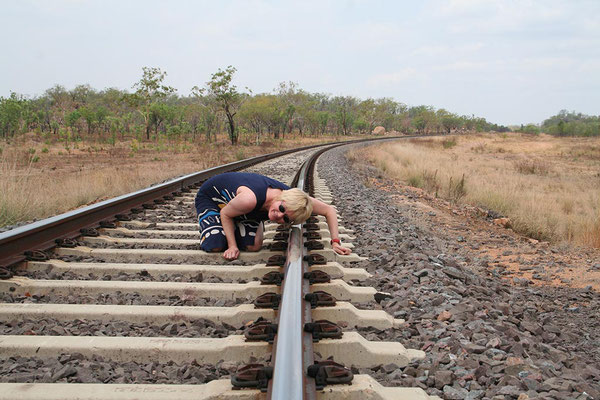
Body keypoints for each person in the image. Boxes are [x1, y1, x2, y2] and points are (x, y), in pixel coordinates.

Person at [194, 172, 352, 260]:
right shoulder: (250, 199)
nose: (279, 215)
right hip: (215, 201)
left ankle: (240, 222)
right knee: (216, 245)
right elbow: (225, 213)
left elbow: (329, 210)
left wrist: (335, 242)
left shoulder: (295, 200)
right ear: (281, 198)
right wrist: (232, 246)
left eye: (286, 219)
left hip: (242, 209)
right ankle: (222, 227)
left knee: (254, 246)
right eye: (281, 208)